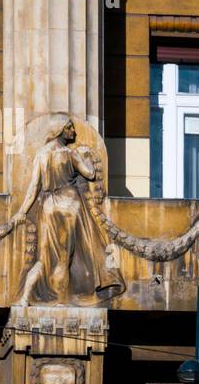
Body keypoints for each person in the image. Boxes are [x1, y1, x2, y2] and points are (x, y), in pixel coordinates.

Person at [14, 114, 124, 306]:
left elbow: (33, 187)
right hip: (69, 205)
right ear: (61, 130)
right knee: (64, 258)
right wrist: (85, 157)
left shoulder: (41, 154)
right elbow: (90, 173)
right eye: (70, 127)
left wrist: (22, 211)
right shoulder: (70, 154)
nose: (73, 131)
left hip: (48, 206)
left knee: (43, 258)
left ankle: (24, 298)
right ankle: (62, 300)